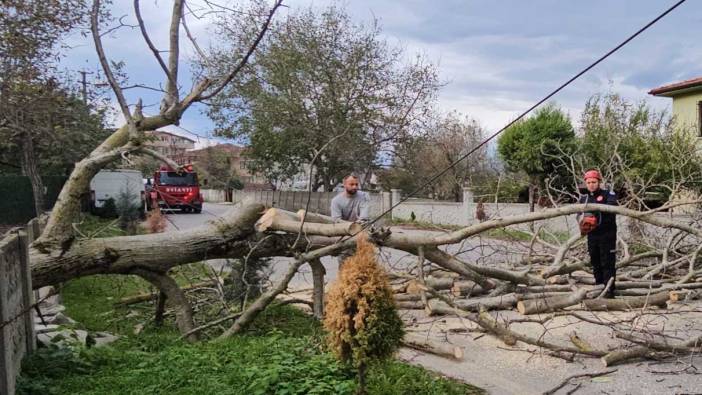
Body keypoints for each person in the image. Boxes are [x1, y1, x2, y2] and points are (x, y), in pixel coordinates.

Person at [578, 169, 618, 298]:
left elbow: (611, 207)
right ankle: (599, 287)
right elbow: (579, 214)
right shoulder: (584, 198)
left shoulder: (609, 194)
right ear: (585, 183)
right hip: (592, 235)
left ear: (599, 182)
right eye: (588, 182)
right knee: (595, 262)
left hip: (607, 235)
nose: (591, 184)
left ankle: (609, 291)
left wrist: (594, 214)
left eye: (594, 182)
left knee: (607, 263)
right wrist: (582, 221)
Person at [331, 174, 371, 268]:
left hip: (361, 232)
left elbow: (364, 216)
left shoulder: (364, 196)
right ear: (344, 184)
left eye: (356, 184)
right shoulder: (336, 201)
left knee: (365, 264)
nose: (355, 187)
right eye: (351, 184)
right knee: (344, 264)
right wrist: (351, 227)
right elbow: (336, 220)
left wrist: (359, 226)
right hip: (344, 234)